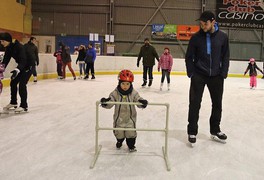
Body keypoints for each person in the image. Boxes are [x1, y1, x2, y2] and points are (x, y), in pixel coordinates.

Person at [185, 11, 230, 145]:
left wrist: (223, 73)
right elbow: (189, 57)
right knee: (194, 104)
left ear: (213, 22)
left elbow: (225, 56)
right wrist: (191, 73)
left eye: (205, 23)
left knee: (217, 104)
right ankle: (192, 131)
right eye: (201, 23)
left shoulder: (222, 37)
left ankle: (215, 130)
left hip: (216, 76)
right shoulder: (196, 38)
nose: (203, 25)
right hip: (198, 75)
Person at [100, 69, 148, 152]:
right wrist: (105, 103)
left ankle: (131, 145)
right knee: (119, 133)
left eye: (127, 84)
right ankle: (119, 141)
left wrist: (142, 103)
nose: (125, 86)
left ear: (131, 84)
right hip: (119, 119)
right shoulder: (115, 93)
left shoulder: (133, 93)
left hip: (130, 119)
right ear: (119, 83)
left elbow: (138, 99)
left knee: (131, 133)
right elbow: (111, 101)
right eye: (123, 84)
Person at [0, 32, 33, 112]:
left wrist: (17, 69)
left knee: (22, 84)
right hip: (22, 66)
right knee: (13, 82)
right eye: (1, 41)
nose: (1, 43)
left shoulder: (19, 47)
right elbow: (5, 60)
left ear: (8, 41)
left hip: (29, 66)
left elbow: (23, 60)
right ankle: (13, 102)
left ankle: (24, 105)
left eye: (3, 41)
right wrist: (1, 69)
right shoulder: (8, 48)